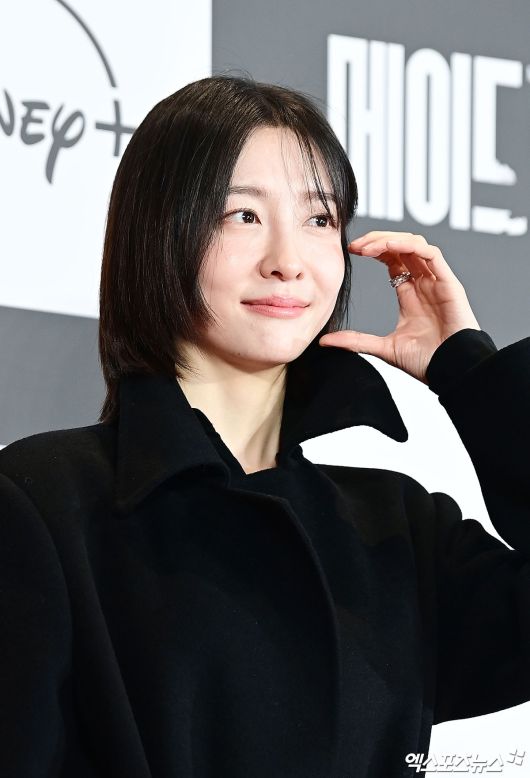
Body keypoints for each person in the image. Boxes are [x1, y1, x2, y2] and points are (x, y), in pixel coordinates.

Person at [0, 74, 529, 778]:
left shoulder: (396, 529)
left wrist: (471, 372)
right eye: (242, 215)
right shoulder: (42, 503)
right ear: (160, 231)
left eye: (319, 219)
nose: (288, 262)